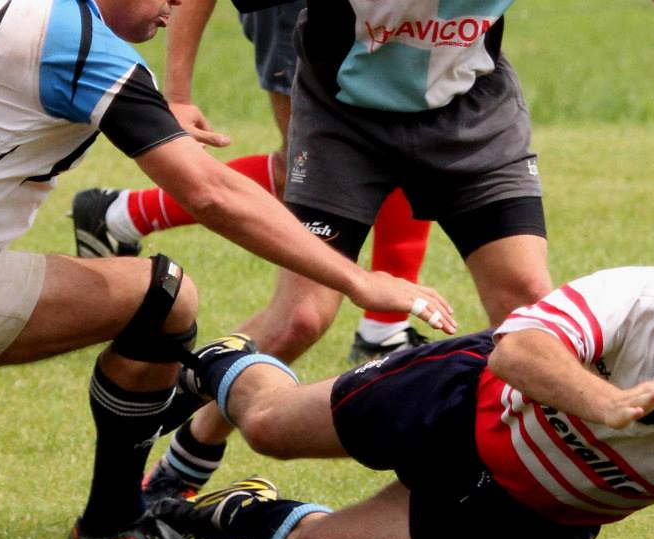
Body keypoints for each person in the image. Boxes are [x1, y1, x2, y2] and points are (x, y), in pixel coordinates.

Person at [123, 0, 654, 504]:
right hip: (342, 123)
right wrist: (175, 93)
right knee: (300, 318)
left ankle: (522, 484)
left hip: (473, 119)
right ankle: (187, 458)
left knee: (529, 307)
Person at [0, 0, 453, 539]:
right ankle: (113, 525)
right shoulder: (79, 45)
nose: (176, 6)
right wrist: (360, 282)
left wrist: (164, 104)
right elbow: (211, 193)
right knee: (164, 297)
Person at [151, 234, 654, 539]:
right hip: (461, 403)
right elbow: (516, 351)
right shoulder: (643, 296)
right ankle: (216, 360)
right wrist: (608, 402)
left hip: (527, 513)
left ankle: (239, 508)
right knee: (271, 423)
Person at [71, 0, 433, 364]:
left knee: (391, 147)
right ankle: (125, 215)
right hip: (306, 12)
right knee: (313, 177)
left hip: (395, 19)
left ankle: (385, 330)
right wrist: (178, 94)